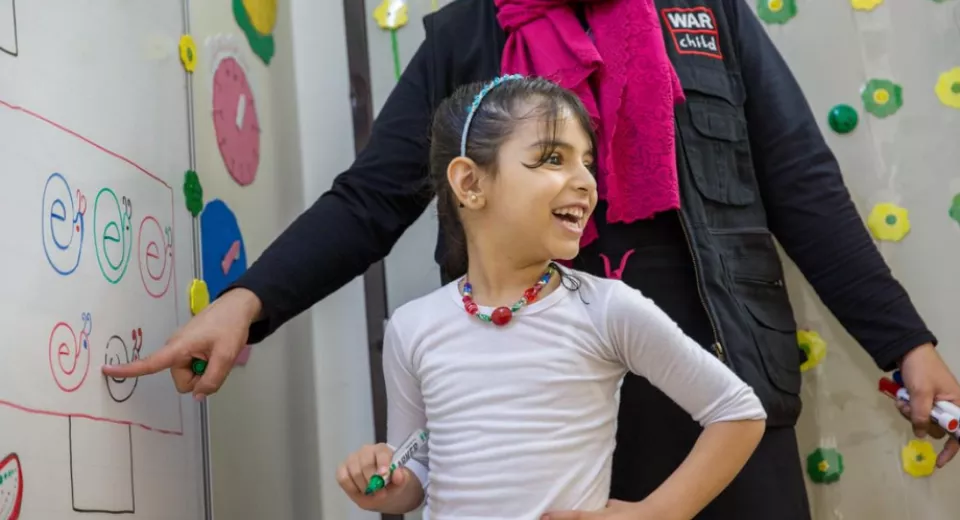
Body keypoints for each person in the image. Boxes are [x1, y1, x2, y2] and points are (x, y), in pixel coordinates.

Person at [104, 0, 960, 517]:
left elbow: (801, 185)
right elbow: (370, 200)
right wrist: (247, 300)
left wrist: (906, 343)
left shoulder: (709, 14)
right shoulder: (463, 37)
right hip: (527, 404)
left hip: (717, 385)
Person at [336, 75, 767, 519]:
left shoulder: (606, 310)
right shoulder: (412, 326)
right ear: (469, 183)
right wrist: (394, 484)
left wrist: (656, 513)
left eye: (587, 163)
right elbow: (421, 467)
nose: (585, 182)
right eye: (552, 158)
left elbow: (738, 412)